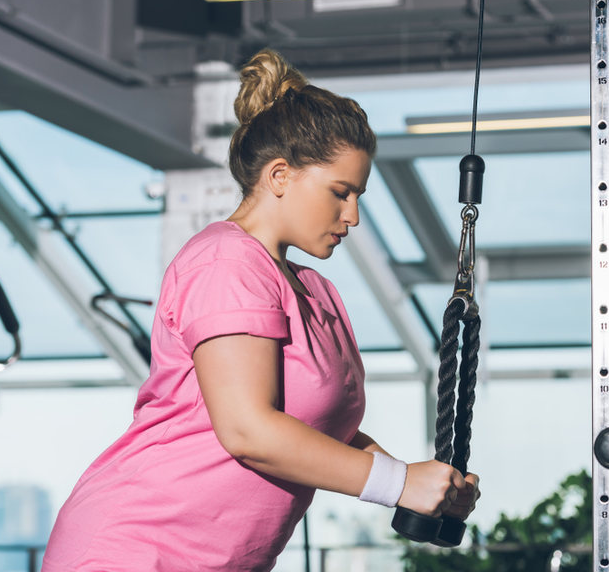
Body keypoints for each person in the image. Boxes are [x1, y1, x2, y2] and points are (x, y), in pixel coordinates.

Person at [42, 49, 480, 571]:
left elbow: (325, 437)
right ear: (279, 176)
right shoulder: (226, 260)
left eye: (358, 196)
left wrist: (421, 484)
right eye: (341, 193)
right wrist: (398, 483)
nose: (353, 216)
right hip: (133, 551)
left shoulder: (316, 292)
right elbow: (249, 431)